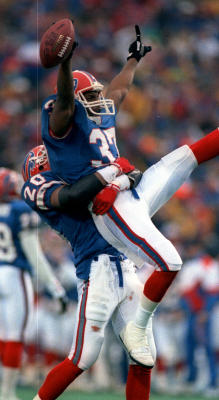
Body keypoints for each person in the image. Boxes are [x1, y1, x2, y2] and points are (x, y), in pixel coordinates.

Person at [39, 18, 219, 367]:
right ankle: (138, 326)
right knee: (170, 261)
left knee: (185, 157)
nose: (98, 99)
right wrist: (65, 63)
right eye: (89, 95)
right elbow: (63, 100)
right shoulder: (62, 121)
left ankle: (138, 332)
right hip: (109, 204)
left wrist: (133, 60)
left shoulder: (101, 112)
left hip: (127, 189)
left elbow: (118, 90)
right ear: (74, 99)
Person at [21, 146, 155, 400]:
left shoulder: (81, 180)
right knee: (83, 356)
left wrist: (120, 179)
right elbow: (76, 194)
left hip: (125, 268)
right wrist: (115, 172)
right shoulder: (52, 193)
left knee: (143, 356)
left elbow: (136, 173)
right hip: (97, 272)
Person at [0, 167, 68, 400]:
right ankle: (7, 393)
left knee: (3, 335)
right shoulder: (20, 210)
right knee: (14, 336)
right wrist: (55, 288)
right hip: (15, 274)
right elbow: (34, 256)